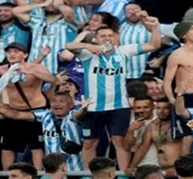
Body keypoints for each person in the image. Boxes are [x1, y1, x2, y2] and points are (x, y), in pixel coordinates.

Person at [67, 17, 162, 169]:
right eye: (103, 36)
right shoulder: (87, 54)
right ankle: (88, 177)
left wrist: (155, 27)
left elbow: (154, 44)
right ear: (96, 39)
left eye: (110, 35)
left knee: (119, 141)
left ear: (115, 37)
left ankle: (123, 176)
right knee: (90, 143)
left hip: (119, 106)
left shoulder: (124, 51)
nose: (107, 38)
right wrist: (87, 45)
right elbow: (68, 46)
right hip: (93, 107)